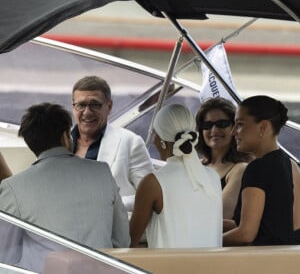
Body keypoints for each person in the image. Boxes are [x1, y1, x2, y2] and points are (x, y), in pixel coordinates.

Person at [0, 103, 130, 273]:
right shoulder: (102, 172)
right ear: (64, 136)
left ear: (31, 143)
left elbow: (5, 256)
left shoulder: (13, 187)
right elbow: (122, 241)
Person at [130, 104, 222, 248]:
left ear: (162, 141)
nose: (153, 141)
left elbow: (130, 241)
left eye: (155, 135)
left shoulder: (153, 182)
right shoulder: (213, 177)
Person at [223, 95, 300, 246]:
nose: (233, 132)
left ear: (263, 127)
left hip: (260, 263)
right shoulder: (291, 165)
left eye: (239, 124)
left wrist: (206, 242)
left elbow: (245, 234)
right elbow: (285, 226)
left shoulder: (257, 168)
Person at [71, 76, 153, 211]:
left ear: (109, 106)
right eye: (81, 105)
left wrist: (108, 203)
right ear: (73, 108)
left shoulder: (131, 142)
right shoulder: (60, 143)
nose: (87, 112)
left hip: (111, 227)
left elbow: (149, 196)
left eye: (95, 105)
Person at [196, 97, 252, 219]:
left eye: (222, 124)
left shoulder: (240, 169)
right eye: (208, 125)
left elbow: (222, 215)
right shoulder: (195, 165)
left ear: (235, 128)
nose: (214, 130)